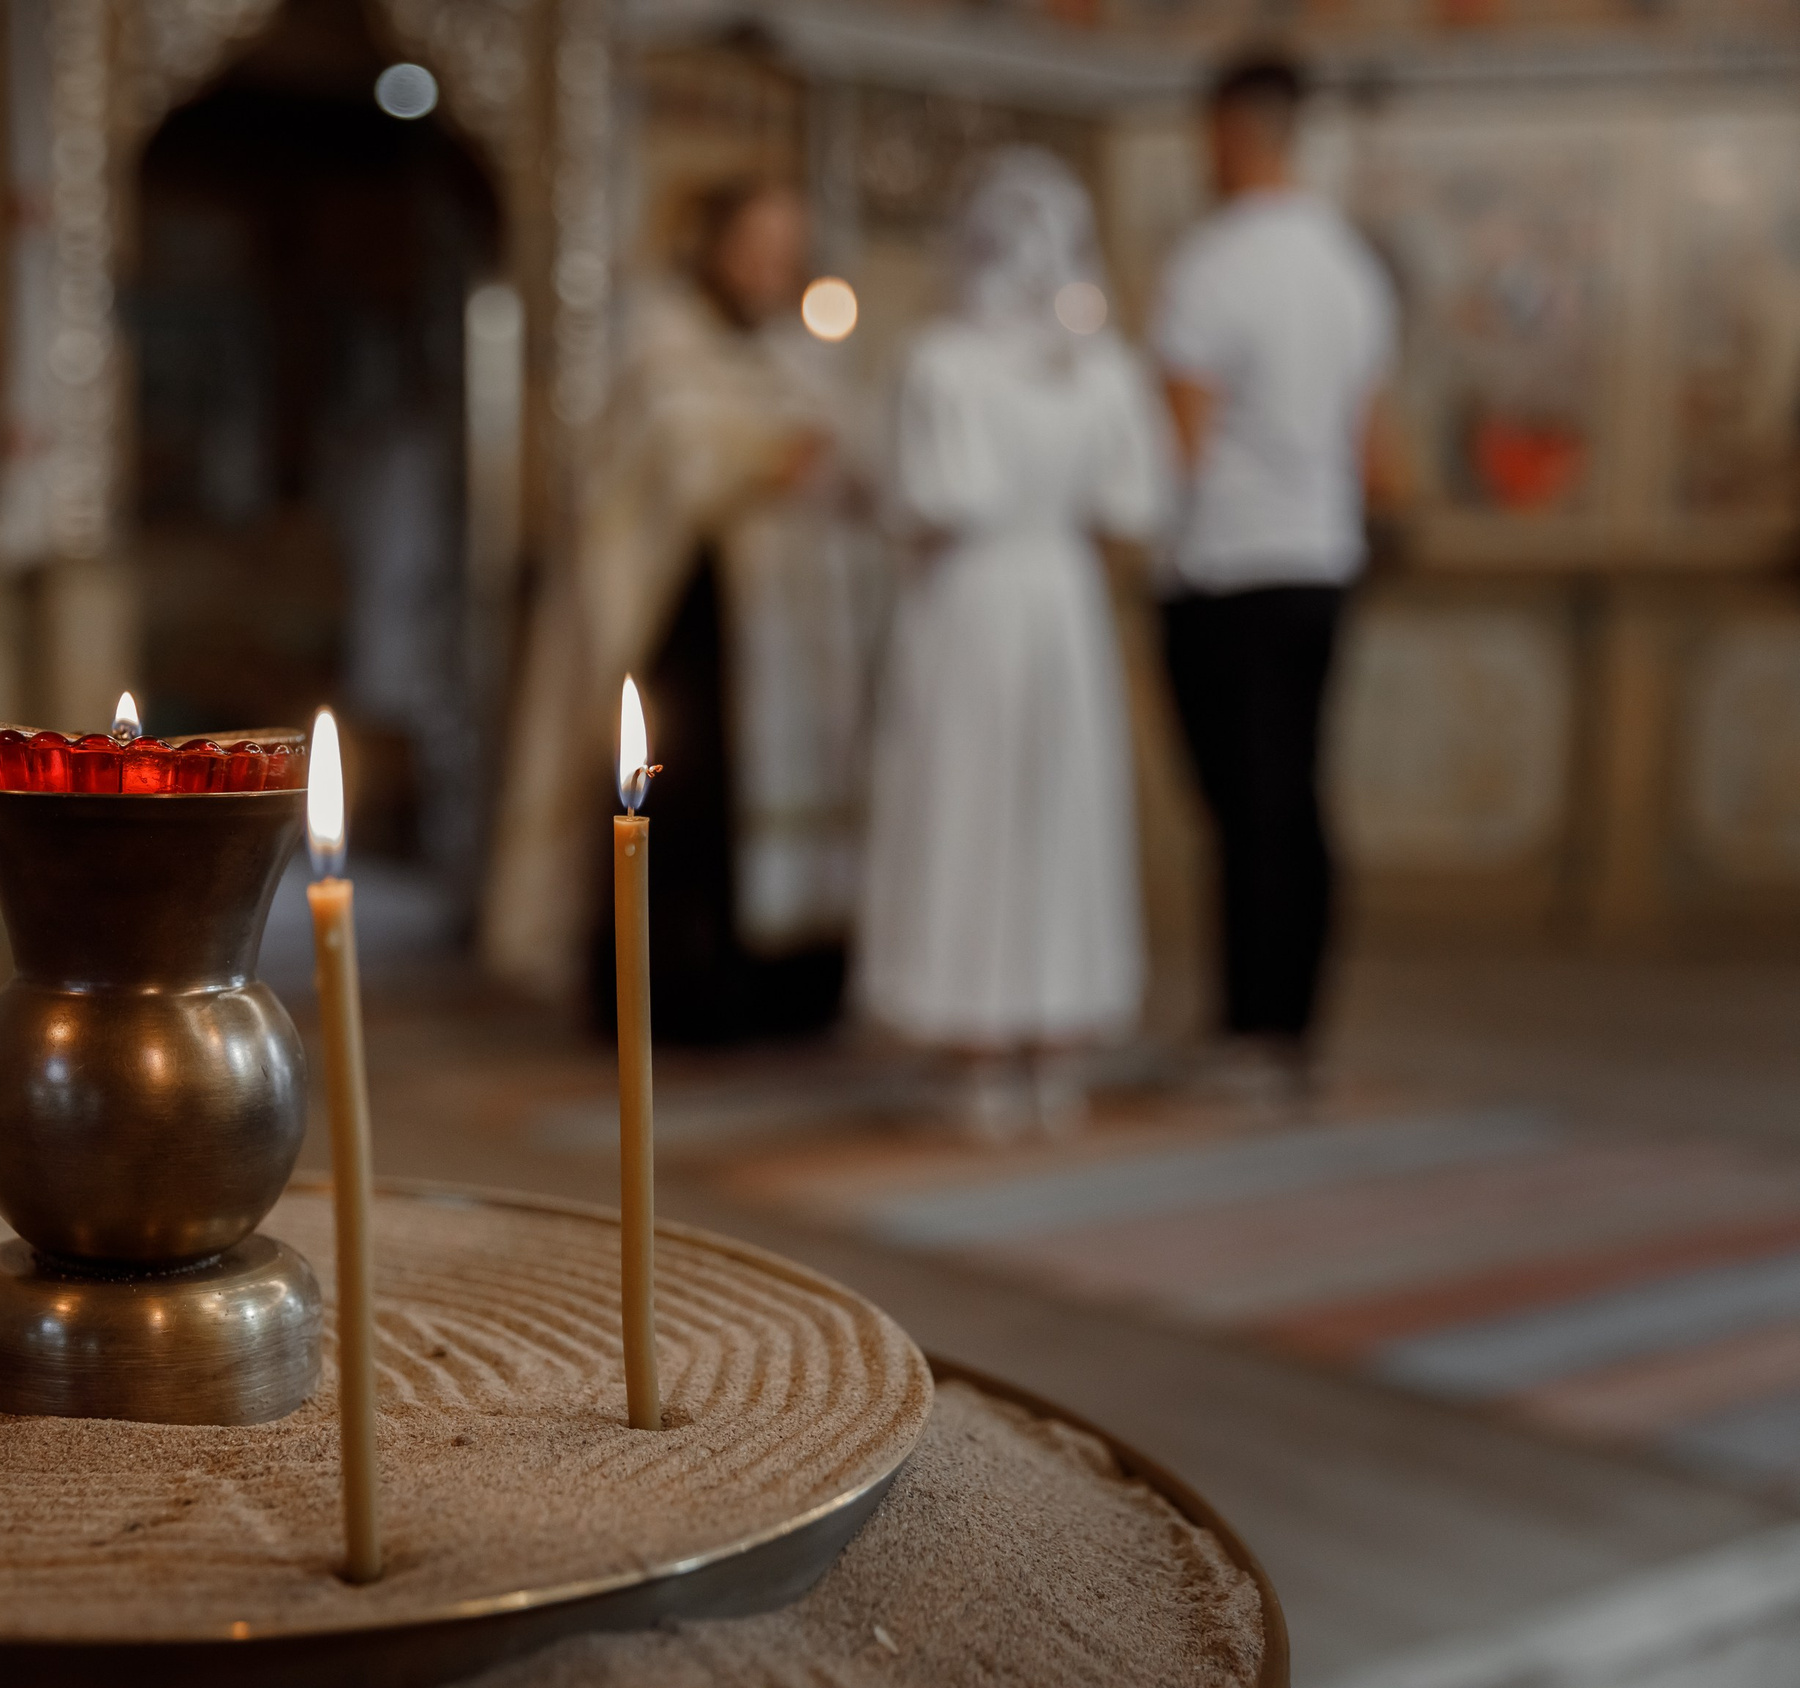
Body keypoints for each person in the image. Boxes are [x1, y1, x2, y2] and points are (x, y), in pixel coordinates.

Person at [483, 181, 884, 1042]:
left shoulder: (795, 353)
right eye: (757, 246)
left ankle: (788, 985)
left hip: (789, 636)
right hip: (688, 620)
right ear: (713, 245)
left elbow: (856, 451)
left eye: (787, 250)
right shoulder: (659, 338)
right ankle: (673, 994)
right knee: (684, 803)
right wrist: (768, 457)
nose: (771, 267)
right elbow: (673, 456)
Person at [853, 147, 1174, 1138]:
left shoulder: (940, 361)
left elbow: (923, 500)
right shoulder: (1104, 367)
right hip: (1064, 599)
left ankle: (979, 1052)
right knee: (1057, 811)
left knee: (969, 806)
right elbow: (1136, 504)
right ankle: (1053, 1052)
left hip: (971, 599)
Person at [1151, 52, 1403, 1096]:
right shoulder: (1351, 266)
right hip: (1320, 562)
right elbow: (1373, 446)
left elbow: (1182, 444)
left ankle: (1251, 1034)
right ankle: (1290, 1026)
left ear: (1226, 130)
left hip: (1225, 568)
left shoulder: (1211, 264)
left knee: (1245, 806)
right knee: (1294, 793)